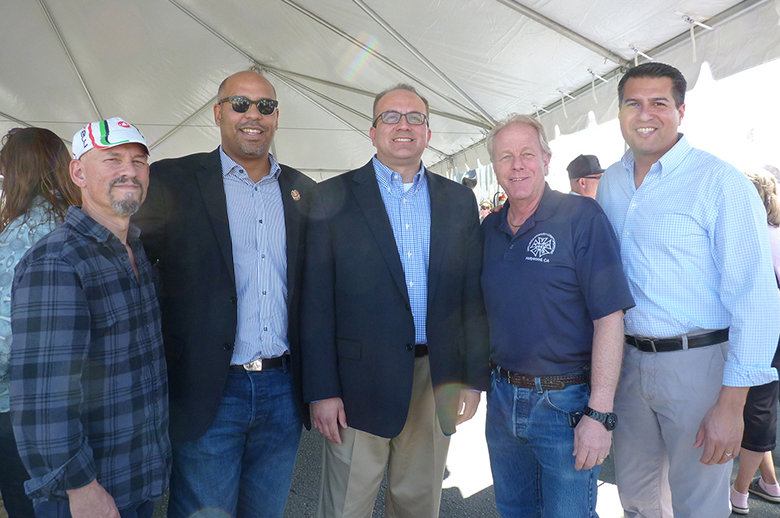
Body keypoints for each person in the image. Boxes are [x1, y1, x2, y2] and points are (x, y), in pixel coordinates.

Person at [596, 62, 780, 518]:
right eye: (633, 103)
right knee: (637, 499)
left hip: (697, 367)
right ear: (619, 113)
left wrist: (732, 405)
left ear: (681, 110)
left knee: (699, 506)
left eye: (659, 103)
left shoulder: (720, 183)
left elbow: (756, 299)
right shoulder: (612, 183)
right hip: (629, 364)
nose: (645, 114)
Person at [301, 84, 489, 518]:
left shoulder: (458, 200)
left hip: (435, 378)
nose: (403, 125)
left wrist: (473, 378)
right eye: (391, 116)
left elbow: (470, 296)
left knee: (419, 503)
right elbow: (314, 303)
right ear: (372, 131)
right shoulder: (331, 197)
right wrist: (322, 390)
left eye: (415, 117)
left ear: (428, 131)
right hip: (355, 382)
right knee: (346, 505)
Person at [133, 70, 314, 518]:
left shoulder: (303, 192)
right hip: (209, 388)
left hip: (282, 389)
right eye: (241, 104)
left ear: (276, 118)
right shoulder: (172, 179)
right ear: (217, 113)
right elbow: (134, 268)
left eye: (265, 106)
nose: (254, 116)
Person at [9, 119, 170, 517]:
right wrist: (81, 488)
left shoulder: (133, 249)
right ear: (78, 172)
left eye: (138, 161)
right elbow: (44, 398)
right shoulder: (57, 260)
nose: (129, 171)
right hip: (87, 495)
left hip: (134, 479)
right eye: (112, 159)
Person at [481, 115, 634, 517]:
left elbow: (609, 318)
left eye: (527, 154)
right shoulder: (489, 229)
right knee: (514, 510)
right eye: (506, 157)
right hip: (500, 399)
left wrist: (599, 414)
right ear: (494, 167)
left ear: (546, 160)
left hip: (564, 405)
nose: (517, 165)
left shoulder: (582, 218)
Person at [0, 128, 80, 518]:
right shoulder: (79, 222)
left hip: (17, 404)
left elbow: (6, 329)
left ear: (16, 171)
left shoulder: (23, 233)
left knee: (26, 500)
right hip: (73, 397)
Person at [729, 170, 780, 514]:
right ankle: (770, 483)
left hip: (761, 326)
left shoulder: (754, 235)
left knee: (756, 408)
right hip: (770, 327)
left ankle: (739, 492)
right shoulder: (773, 232)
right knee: (755, 407)